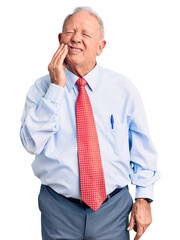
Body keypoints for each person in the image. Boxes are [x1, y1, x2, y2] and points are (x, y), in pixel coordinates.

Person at [20, 6, 160, 240]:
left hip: (113, 210)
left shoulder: (122, 89)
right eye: (70, 32)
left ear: (100, 47)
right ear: (59, 39)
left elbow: (142, 147)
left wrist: (143, 198)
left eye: (85, 34)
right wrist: (55, 88)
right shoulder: (41, 89)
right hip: (58, 210)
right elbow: (31, 144)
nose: (76, 38)